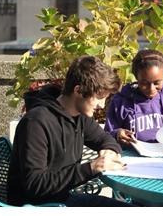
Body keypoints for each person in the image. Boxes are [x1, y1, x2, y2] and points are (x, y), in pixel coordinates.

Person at [7, 56, 132, 207]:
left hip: (62, 199)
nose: (102, 105)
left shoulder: (79, 116)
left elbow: (105, 139)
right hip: (38, 207)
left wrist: (110, 150)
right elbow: (35, 184)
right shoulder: (36, 122)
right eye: (99, 98)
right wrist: (92, 168)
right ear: (78, 90)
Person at [105, 49, 163, 146]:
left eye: (157, 83)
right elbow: (107, 133)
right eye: (144, 83)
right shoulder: (121, 100)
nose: (151, 88)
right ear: (136, 77)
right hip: (133, 156)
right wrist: (118, 134)